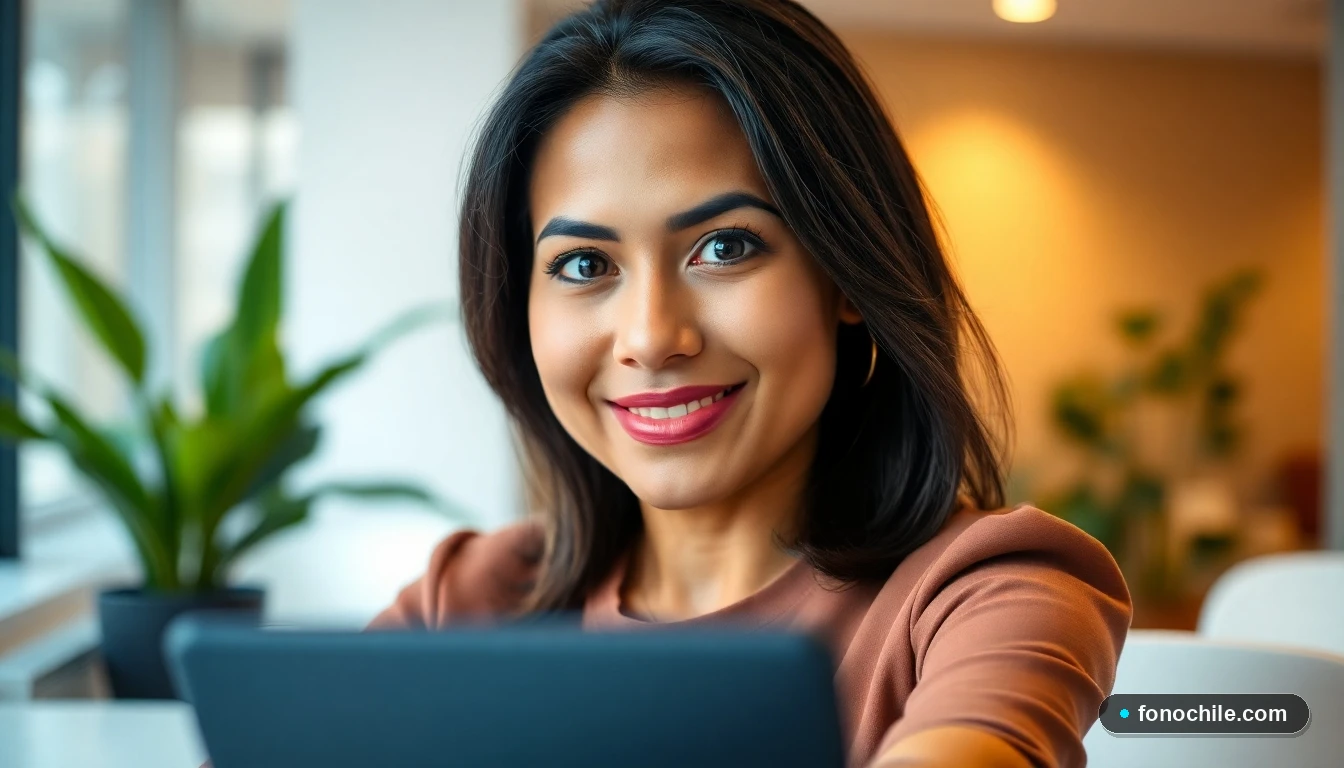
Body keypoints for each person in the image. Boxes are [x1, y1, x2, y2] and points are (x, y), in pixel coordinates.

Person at [370, 1, 1132, 766]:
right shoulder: (464, 605)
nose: (651, 338)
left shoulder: (986, 593)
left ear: (845, 270)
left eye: (725, 247)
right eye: (584, 264)